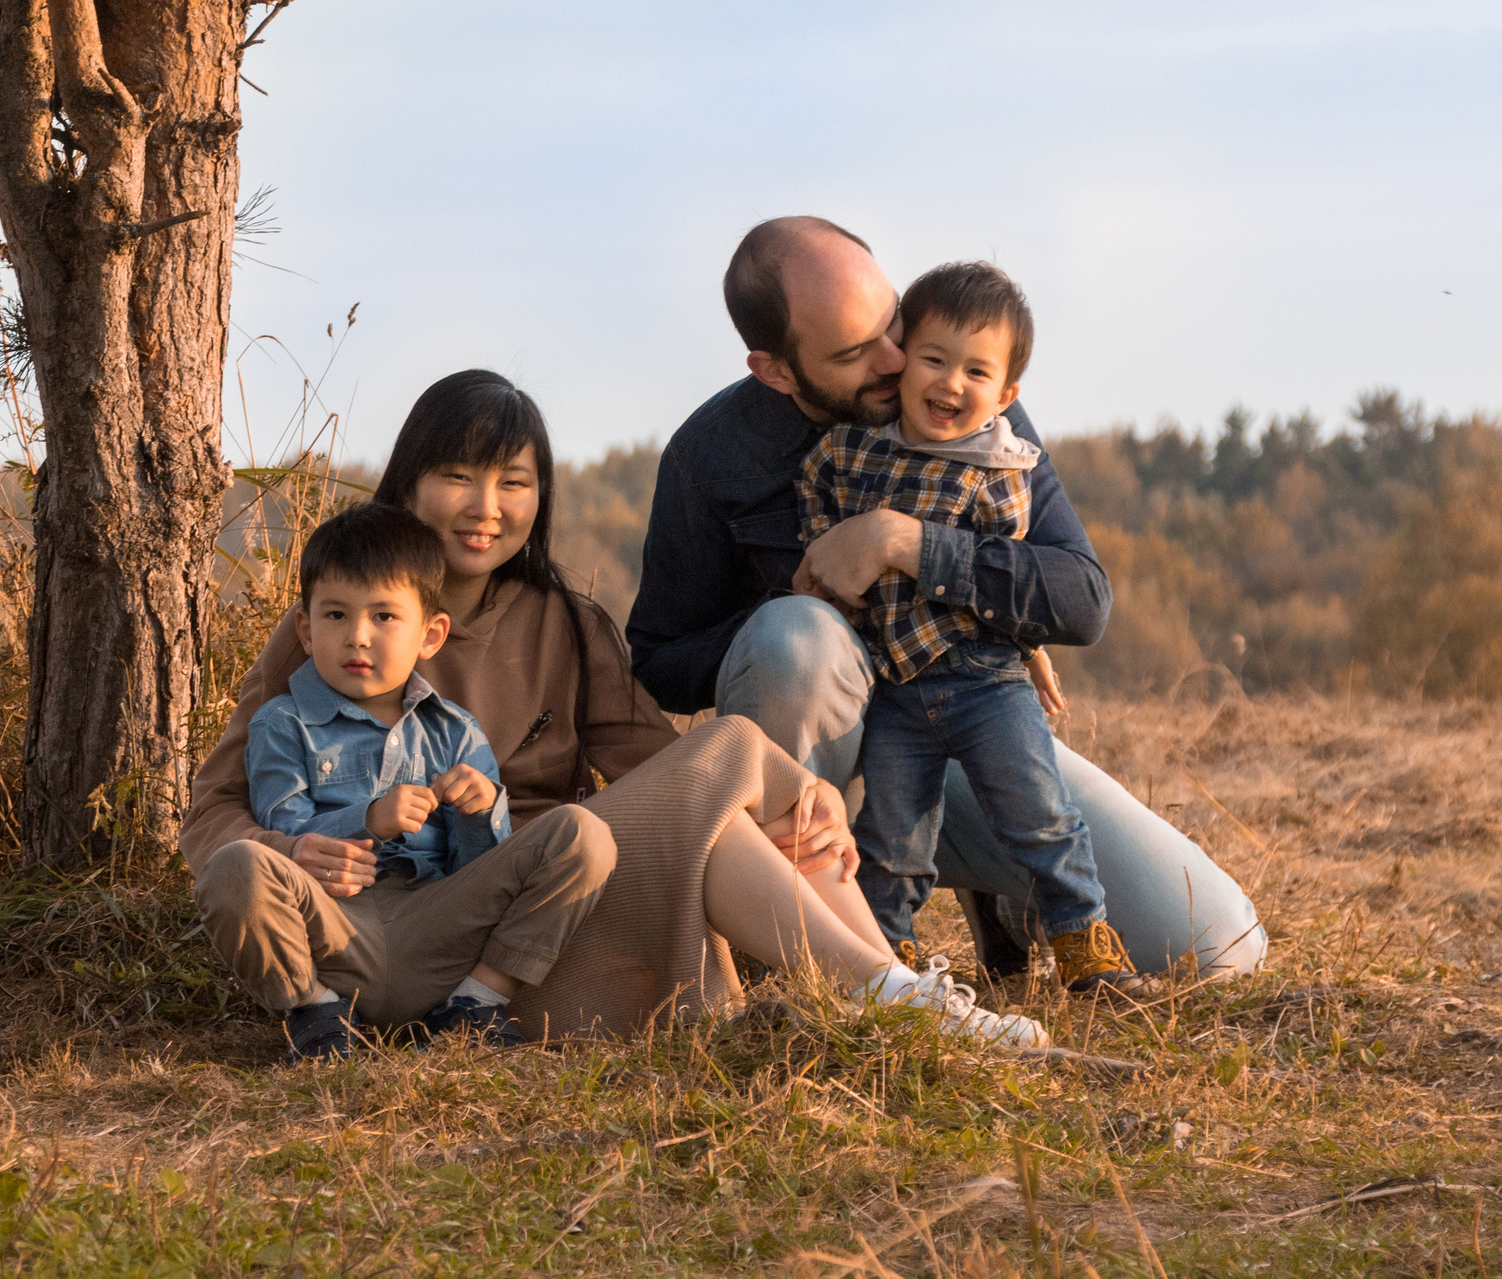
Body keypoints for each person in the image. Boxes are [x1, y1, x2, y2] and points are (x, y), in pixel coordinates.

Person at [186, 370, 1046, 1049]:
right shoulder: (337, 628)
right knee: (736, 753)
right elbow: (211, 815)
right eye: (457, 476)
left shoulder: (567, 622)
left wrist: (796, 801)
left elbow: (659, 779)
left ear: (540, 495)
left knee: (727, 779)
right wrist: (290, 846)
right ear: (407, 483)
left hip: (552, 913)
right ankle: (897, 995)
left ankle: (896, 994)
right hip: (414, 932)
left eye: (513, 482)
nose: (487, 508)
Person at [628, 217, 1267, 978]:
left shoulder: (964, 392)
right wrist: (794, 612)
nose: (899, 361)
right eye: (854, 353)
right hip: (815, 772)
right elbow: (661, 661)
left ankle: (1007, 894)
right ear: (777, 371)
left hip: (974, 737)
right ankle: (790, 938)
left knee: (1217, 943)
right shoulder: (709, 457)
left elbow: (1082, 596)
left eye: (890, 322)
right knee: (796, 639)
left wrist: (903, 543)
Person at [799, 260, 1150, 995]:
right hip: (894, 689)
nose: (950, 383)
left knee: (1039, 813)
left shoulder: (1000, 466)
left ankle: (1084, 942)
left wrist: (1028, 642)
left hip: (985, 682)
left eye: (975, 371)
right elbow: (821, 526)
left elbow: (1017, 575)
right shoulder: (847, 452)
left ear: (1006, 395)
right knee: (892, 838)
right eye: (933, 359)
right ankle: (884, 956)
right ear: (899, 362)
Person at [239, 504, 608, 1058]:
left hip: (440, 933)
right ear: (305, 630)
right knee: (237, 866)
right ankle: (314, 1013)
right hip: (336, 932)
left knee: (583, 834)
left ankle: (475, 1004)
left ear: (430, 634)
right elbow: (285, 831)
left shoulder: (455, 732)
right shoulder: (282, 722)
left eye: (384, 617)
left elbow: (483, 875)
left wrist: (480, 814)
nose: (358, 637)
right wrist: (368, 821)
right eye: (335, 616)